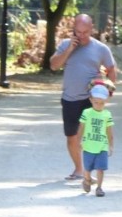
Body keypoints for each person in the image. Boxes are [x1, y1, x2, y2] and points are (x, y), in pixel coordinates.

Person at [50, 14, 118, 181]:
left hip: (91, 99)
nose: (81, 35)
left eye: (85, 32)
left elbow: (111, 68)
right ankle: (78, 168)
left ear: (91, 29)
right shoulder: (66, 45)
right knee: (71, 136)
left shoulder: (101, 48)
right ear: (74, 29)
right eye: (78, 32)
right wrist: (69, 50)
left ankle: (88, 170)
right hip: (70, 98)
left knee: (90, 135)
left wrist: (108, 91)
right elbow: (53, 65)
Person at [78, 84, 114, 197]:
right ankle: (87, 179)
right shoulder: (87, 113)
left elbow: (109, 131)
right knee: (87, 168)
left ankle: (99, 187)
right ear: (91, 100)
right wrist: (79, 141)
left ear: (106, 101)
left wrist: (111, 145)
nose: (98, 105)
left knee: (100, 168)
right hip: (88, 145)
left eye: (102, 103)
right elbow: (81, 127)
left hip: (102, 146)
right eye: (96, 102)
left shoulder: (107, 114)